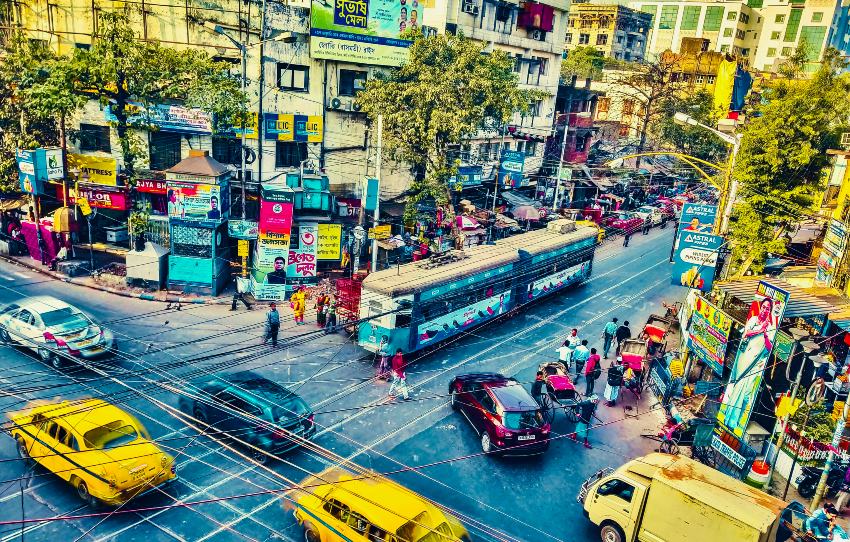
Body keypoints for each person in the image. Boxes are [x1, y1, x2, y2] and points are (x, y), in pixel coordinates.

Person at [720, 297, 777, 433]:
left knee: (746, 394)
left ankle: (736, 421)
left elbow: (769, 348)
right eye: (763, 307)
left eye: (767, 309)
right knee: (738, 387)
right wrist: (760, 329)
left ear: (769, 311)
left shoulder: (770, 327)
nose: (765, 310)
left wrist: (765, 334)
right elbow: (746, 333)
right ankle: (729, 420)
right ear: (760, 308)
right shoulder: (753, 320)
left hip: (756, 364)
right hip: (744, 358)